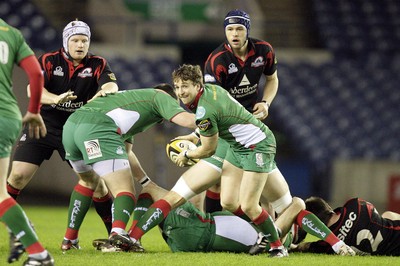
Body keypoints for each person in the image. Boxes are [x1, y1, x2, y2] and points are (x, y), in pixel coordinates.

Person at [5, 19, 118, 256]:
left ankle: (114, 237)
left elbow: (111, 87)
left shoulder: (98, 63)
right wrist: (56, 99)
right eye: (75, 40)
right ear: (66, 41)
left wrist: (100, 95)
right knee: (16, 177)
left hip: (77, 129)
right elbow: (32, 89)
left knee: (98, 184)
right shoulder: (48, 60)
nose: (80, 45)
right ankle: (14, 229)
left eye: (84, 40)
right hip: (44, 125)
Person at [62, 83, 196, 251]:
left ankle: (69, 240)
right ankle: (117, 237)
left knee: (88, 182)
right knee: (124, 189)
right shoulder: (160, 96)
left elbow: (125, 153)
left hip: (71, 127)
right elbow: (188, 120)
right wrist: (218, 118)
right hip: (98, 128)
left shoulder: (132, 101)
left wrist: (146, 182)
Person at [95, 181, 354, 255]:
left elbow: (297, 204)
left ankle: (124, 238)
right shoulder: (271, 231)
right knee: (203, 190)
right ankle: (126, 239)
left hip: (200, 229)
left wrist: (335, 244)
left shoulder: (278, 236)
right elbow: (262, 205)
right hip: (196, 233)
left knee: (148, 190)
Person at [202, 9, 279, 213]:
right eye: (229, 29)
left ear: (247, 30)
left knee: (262, 185)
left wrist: (265, 103)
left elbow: (272, 79)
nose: (234, 33)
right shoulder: (217, 60)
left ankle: (274, 227)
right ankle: (215, 224)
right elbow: (212, 100)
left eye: (239, 29)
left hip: (252, 125)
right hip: (226, 126)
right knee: (215, 179)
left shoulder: (264, 51)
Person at [0, 18, 54, 265]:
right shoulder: (11, 32)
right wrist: (33, 111)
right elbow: (36, 73)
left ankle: (37, 251)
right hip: (9, 115)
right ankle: (23, 232)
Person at [293, 196, 400, 256]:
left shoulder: (327, 246)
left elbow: (303, 247)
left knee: (387, 215)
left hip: (391, 250)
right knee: (387, 215)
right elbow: (370, 210)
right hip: (396, 233)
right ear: (328, 207)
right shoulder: (356, 205)